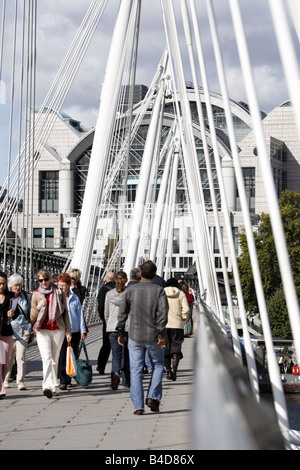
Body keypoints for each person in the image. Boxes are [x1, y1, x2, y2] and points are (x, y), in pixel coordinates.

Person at [117, 260, 168, 415]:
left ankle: (138, 406)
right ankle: (153, 396)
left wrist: (120, 332)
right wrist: (160, 333)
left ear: (140, 274)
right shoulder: (159, 291)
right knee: (158, 365)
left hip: (135, 335)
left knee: (136, 370)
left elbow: (122, 312)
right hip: (153, 335)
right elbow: (163, 314)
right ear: (154, 274)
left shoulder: (130, 291)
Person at [30, 269, 71, 398]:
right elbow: (32, 317)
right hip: (42, 330)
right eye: (40, 280)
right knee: (46, 359)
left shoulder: (59, 292)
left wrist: (68, 331)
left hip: (58, 329)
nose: (43, 282)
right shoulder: (36, 294)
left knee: (54, 359)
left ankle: (54, 385)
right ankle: (46, 386)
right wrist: (38, 307)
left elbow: (65, 313)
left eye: (45, 279)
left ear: (49, 279)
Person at [57, 273, 87, 390]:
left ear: (69, 285)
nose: (61, 288)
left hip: (75, 330)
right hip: (62, 330)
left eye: (64, 285)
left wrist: (82, 331)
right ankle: (63, 380)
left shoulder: (75, 297)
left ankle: (69, 378)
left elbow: (80, 315)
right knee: (62, 355)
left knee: (72, 355)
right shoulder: (58, 297)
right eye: (60, 285)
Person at [4, 274, 32, 391]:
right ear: (11, 286)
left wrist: (31, 327)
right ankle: (5, 379)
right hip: (10, 330)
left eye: (20, 285)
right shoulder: (6, 297)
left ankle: (20, 381)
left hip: (23, 329)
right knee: (9, 357)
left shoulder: (25, 296)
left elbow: (30, 311)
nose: (18, 287)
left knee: (20, 357)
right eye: (16, 285)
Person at [105, 271, 130, 390]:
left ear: (115, 280)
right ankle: (126, 381)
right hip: (126, 327)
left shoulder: (109, 294)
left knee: (116, 355)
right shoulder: (129, 293)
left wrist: (109, 322)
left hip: (112, 328)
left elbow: (106, 312)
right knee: (127, 355)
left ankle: (115, 373)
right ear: (126, 280)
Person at [164, 278, 189, 381]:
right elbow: (186, 309)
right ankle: (174, 369)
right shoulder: (181, 294)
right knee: (176, 348)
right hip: (177, 325)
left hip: (164, 325)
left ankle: (168, 371)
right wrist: (182, 317)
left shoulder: (162, 292)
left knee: (165, 348)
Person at [0, 272, 15, 399]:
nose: (1, 286)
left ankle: (2, 381)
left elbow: (18, 312)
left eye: (3, 284)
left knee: (5, 363)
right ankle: (1, 389)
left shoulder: (10, 296)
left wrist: (13, 314)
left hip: (6, 331)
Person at [97, 272, 115, 374]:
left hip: (107, 321)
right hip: (119, 321)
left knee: (106, 345)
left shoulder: (104, 290)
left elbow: (100, 307)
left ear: (106, 280)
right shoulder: (120, 289)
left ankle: (101, 367)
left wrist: (103, 318)